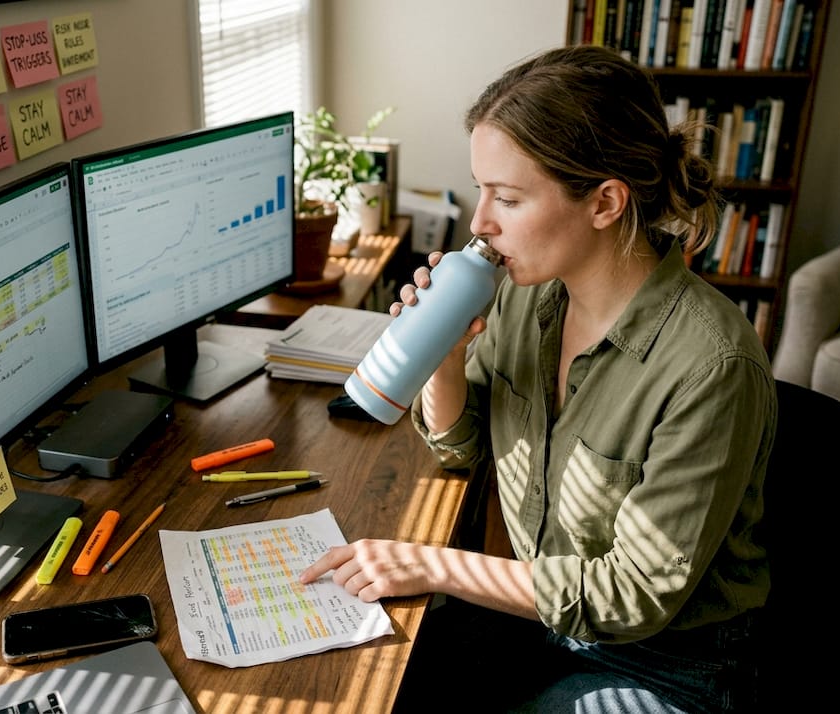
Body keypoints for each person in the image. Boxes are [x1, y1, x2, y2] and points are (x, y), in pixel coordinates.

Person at [299, 44, 777, 713]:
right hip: (539, 623)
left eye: (508, 198)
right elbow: (462, 446)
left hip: (663, 665)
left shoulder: (711, 368)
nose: (479, 223)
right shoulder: (527, 297)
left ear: (605, 202)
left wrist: (432, 564)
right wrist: (443, 354)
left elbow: (629, 597)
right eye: (481, 189)